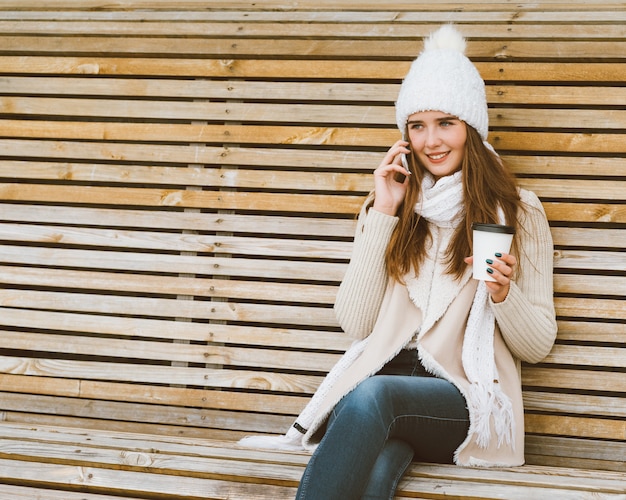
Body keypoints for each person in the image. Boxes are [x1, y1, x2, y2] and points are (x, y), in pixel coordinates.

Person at [239, 24, 557, 500]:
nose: (431, 141)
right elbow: (355, 322)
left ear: (471, 128)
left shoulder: (515, 210)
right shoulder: (394, 206)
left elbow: (537, 345)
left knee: (374, 396)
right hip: (388, 392)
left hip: (465, 397)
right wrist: (384, 212)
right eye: (417, 125)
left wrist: (503, 296)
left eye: (446, 122)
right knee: (381, 460)